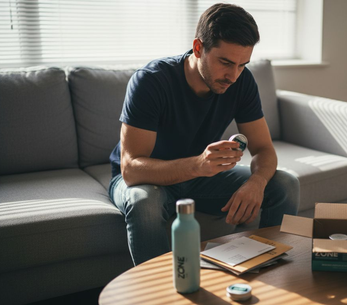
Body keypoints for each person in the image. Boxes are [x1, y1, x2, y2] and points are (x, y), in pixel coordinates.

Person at [109, 3, 300, 266]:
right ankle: (157, 294)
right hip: (146, 178)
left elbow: (264, 149)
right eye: (225, 62)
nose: (233, 75)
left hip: (199, 177)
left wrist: (256, 182)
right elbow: (131, 169)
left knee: (284, 184)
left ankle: (267, 274)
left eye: (242, 65)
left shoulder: (241, 82)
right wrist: (198, 164)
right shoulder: (151, 81)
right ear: (198, 48)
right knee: (145, 203)